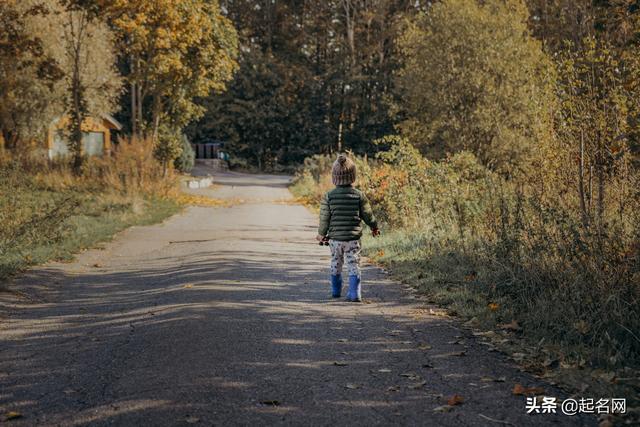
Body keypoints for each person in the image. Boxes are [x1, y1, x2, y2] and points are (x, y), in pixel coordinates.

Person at [316, 154, 380, 302]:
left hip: (336, 240)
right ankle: (354, 293)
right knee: (353, 264)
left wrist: (321, 234)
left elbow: (324, 218)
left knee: (335, 263)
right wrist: (374, 227)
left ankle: (336, 291)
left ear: (334, 177)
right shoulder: (359, 195)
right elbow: (368, 215)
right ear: (353, 176)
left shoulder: (329, 196)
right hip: (353, 240)